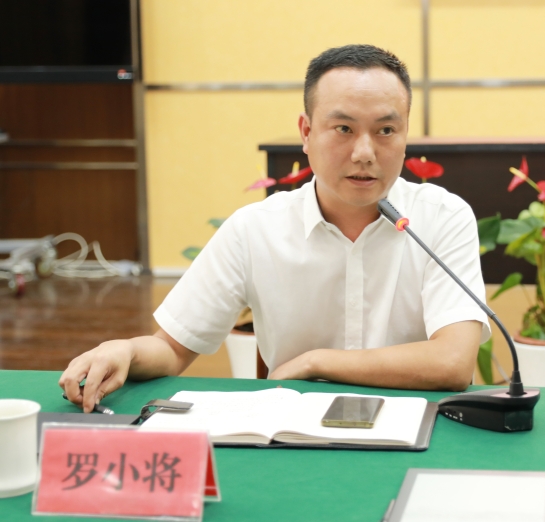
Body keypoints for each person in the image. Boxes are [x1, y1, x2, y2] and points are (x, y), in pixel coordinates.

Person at [59, 44, 490, 413]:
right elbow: (172, 348)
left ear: (405, 135)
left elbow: (452, 362)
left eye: (386, 130)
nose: (364, 152)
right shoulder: (255, 229)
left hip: (416, 426)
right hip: (294, 433)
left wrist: (316, 362)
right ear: (307, 132)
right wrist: (125, 349)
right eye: (343, 128)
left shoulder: (442, 217)